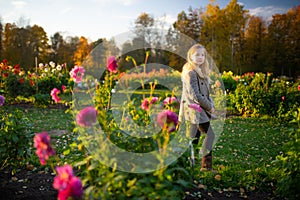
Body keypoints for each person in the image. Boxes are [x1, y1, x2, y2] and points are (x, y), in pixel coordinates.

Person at [179, 44, 215, 171]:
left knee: (194, 138)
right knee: (210, 135)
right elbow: (196, 96)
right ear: (191, 56)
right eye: (197, 54)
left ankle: (188, 164)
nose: (200, 57)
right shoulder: (191, 73)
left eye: (203, 55)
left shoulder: (200, 72)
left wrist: (211, 104)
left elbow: (206, 93)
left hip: (198, 111)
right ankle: (206, 166)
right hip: (195, 111)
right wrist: (209, 107)